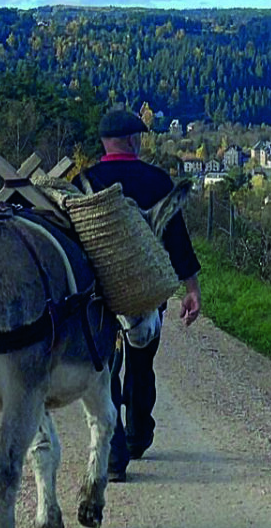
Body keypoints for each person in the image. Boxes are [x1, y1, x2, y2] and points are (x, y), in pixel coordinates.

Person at [76, 107, 201, 480]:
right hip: (147, 294)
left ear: (103, 142)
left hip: (99, 297)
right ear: (133, 140)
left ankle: (114, 458)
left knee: (106, 369)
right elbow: (176, 239)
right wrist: (190, 288)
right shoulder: (156, 180)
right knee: (141, 363)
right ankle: (138, 435)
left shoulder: (85, 181)